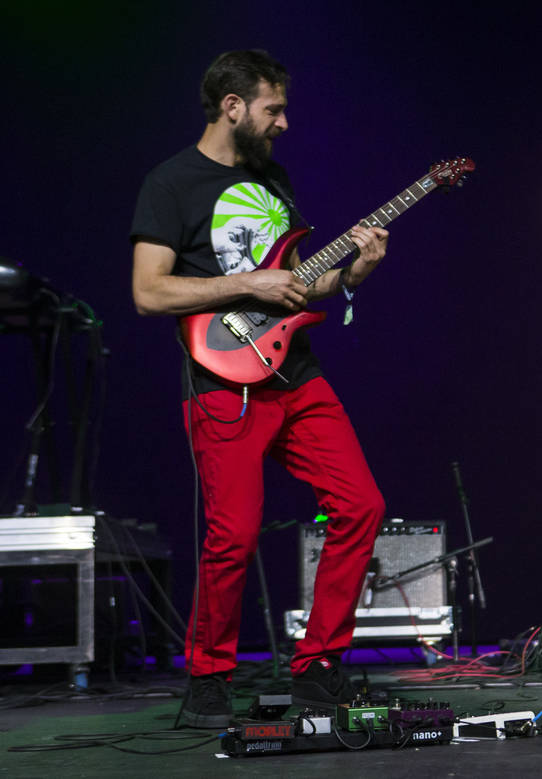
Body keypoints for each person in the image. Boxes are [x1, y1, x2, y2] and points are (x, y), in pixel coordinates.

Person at [130, 49, 387, 728]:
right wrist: (247, 282)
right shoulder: (172, 182)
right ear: (233, 106)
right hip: (222, 380)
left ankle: (318, 668)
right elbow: (148, 290)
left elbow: (300, 283)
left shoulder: (273, 181)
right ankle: (208, 679)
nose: (283, 122)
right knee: (233, 533)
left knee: (360, 503)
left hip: (294, 371)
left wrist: (353, 273)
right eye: (272, 108)